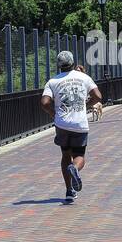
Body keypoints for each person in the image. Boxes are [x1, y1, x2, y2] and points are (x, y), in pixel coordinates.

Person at [40, 51, 103, 203]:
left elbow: (44, 102)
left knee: (65, 156)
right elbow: (98, 96)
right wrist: (85, 105)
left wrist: (53, 113)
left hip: (61, 124)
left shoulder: (52, 81)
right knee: (79, 156)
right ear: (73, 63)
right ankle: (75, 169)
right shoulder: (84, 77)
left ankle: (69, 190)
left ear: (58, 65)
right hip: (79, 124)